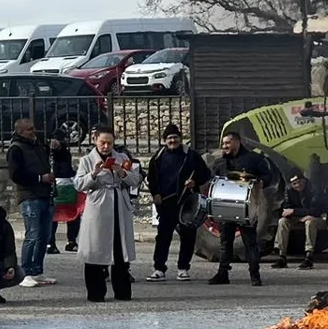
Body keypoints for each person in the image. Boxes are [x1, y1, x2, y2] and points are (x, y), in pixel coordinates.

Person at [73, 130, 141, 302]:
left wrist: (122, 173)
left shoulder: (122, 157)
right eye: (103, 142)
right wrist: (93, 174)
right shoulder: (87, 160)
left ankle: (123, 291)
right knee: (96, 249)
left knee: (119, 249)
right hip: (98, 206)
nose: (106, 146)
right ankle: (96, 293)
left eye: (109, 143)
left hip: (118, 206)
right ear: (95, 140)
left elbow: (135, 181)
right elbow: (79, 184)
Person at [145, 123, 210, 282]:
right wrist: (156, 194)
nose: (172, 140)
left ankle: (183, 268)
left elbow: (205, 174)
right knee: (163, 237)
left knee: (188, 236)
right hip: (166, 203)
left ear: (180, 138)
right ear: (164, 140)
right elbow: (151, 178)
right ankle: (159, 269)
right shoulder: (158, 157)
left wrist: (194, 182)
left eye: (175, 137)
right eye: (169, 138)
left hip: (187, 202)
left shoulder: (191, 155)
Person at [209, 130, 272, 286]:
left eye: (228, 143)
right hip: (227, 208)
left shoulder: (254, 159)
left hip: (246, 209)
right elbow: (214, 179)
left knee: (250, 243)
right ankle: (222, 274)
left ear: (237, 142)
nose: (225, 146)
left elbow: (268, 176)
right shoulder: (221, 162)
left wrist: (261, 182)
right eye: (223, 144)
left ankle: (255, 275)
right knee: (225, 243)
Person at [6, 119, 58, 288]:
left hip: (45, 194)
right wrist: (39, 178)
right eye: (29, 129)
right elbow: (15, 175)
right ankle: (26, 272)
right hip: (29, 195)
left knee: (44, 236)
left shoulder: (38, 145)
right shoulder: (16, 149)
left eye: (33, 128)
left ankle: (37, 270)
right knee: (33, 235)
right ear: (20, 132)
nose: (33, 132)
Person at [273, 171, 328, 271]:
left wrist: (295, 211)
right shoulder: (289, 191)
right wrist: (297, 213)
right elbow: (287, 208)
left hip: (317, 218)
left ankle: (309, 256)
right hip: (298, 217)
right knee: (282, 222)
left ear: (304, 180)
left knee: (310, 222)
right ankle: (282, 255)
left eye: (299, 182)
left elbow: (316, 210)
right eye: (294, 184)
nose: (298, 185)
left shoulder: (314, 190)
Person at [48, 130, 77, 252]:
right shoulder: (61, 152)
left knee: (54, 216)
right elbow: (66, 169)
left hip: (58, 185)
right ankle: (70, 241)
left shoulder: (55, 152)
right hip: (64, 184)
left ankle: (51, 243)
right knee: (71, 215)